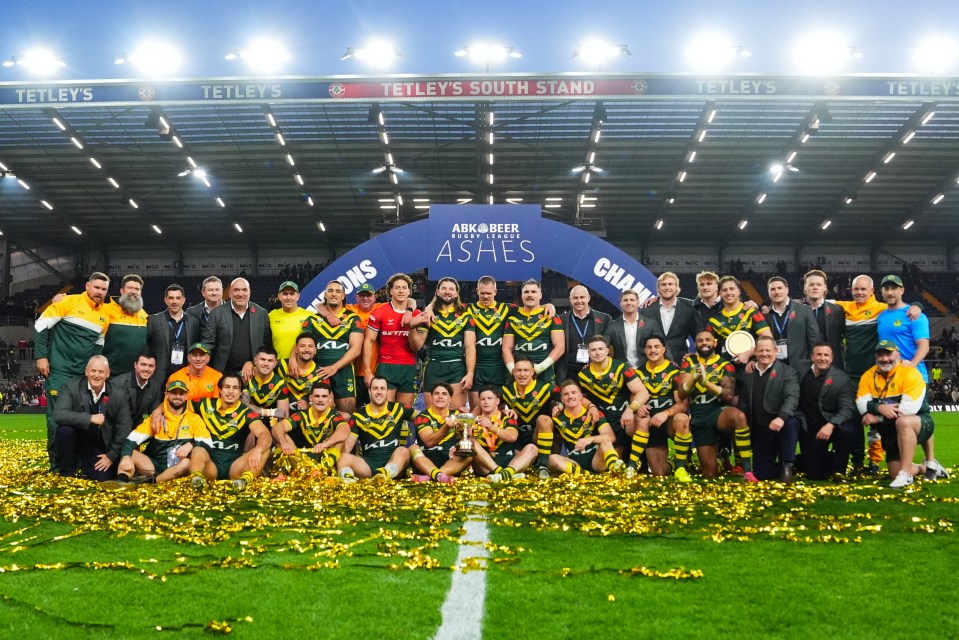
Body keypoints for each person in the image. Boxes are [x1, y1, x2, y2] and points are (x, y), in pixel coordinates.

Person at [35, 272, 111, 468]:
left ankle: (76, 461)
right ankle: (57, 464)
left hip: (82, 377)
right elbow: (41, 325)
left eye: (103, 289)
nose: (99, 292)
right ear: (87, 286)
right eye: (96, 287)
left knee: (79, 420)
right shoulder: (68, 302)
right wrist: (41, 356)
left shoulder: (105, 316)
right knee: (56, 421)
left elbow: (98, 345)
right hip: (59, 372)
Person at [856, 340, 948, 488]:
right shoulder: (868, 375)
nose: (885, 359)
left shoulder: (910, 373)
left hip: (920, 424)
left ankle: (906, 474)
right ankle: (928, 468)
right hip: (889, 429)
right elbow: (861, 405)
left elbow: (907, 410)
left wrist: (877, 416)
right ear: (875, 357)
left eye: (889, 354)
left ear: (898, 355)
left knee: (903, 421)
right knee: (893, 472)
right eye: (880, 354)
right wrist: (880, 408)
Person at [678, 331, 757, 481]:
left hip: (717, 411)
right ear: (695, 344)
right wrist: (694, 378)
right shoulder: (689, 362)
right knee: (710, 473)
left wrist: (705, 383)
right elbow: (682, 393)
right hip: (699, 415)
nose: (704, 343)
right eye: (700, 340)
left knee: (738, 416)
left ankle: (747, 470)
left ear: (715, 343)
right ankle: (722, 460)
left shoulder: (724, 364)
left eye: (708, 340)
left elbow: (728, 395)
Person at [52, 355, 133, 480]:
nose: (96, 375)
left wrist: (111, 456)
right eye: (93, 371)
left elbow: (124, 428)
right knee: (64, 431)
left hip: (99, 445)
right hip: (76, 438)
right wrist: (90, 418)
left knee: (102, 477)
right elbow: (59, 414)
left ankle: (84, 465)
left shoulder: (119, 394)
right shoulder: (71, 386)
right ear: (86, 371)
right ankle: (66, 471)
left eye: (101, 372)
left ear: (107, 374)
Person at [188, 373, 273, 490]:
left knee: (265, 449)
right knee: (197, 449)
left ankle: (242, 482)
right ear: (220, 390)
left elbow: (265, 435)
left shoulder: (246, 412)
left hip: (235, 466)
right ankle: (197, 481)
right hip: (210, 463)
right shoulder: (204, 404)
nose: (231, 391)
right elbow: (177, 405)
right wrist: (157, 411)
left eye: (235, 388)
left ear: (240, 392)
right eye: (227, 387)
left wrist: (258, 450)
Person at [737, 335, 801, 482]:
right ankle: (802, 463)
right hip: (762, 429)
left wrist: (781, 417)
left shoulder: (788, 371)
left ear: (776, 351)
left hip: (782, 424)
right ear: (756, 352)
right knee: (762, 473)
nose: (764, 354)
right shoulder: (750, 373)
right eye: (761, 350)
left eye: (768, 350)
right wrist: (743, 421)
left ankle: (787, 466)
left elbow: (792, 398)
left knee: (790, 423)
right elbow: (745, 400)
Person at [117, 379, 206, 483]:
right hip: (155, 466)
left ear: (186, 396)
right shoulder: (156, 418)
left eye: (181, 393)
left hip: (179, 468)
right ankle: (121, 483)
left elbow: (207, 444)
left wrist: (191, 444)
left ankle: (152, 482)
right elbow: (131, 439)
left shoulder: (194, 419)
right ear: (166, 395)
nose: (177, 396)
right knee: (129, 453)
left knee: (187, 463)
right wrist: (126, 457)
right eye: (174, 393)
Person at [534, 380, 627, 478]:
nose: (570, 396)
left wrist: (590, 439)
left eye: (573, 393)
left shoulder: (593, 413)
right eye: (566, 394)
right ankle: (587, 475)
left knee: (606, 441)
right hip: (575, 462)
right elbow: (551, 439)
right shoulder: (557, 417)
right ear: (562, 399)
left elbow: (611, 437)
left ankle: (616, 470)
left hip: (596, 461)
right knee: (552, 459)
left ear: (580, 396)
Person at [577, 334, 647, 459]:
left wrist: (631, 409)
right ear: (588, 352)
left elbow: (643, 392)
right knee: (613, 466)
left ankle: (634, 464)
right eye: (593, 350)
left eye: (600, 349)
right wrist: (591, 406)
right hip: (605, 422)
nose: (597, 353)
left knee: (643, 420)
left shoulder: (621, 367)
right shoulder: (583, 375)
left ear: (607, 351)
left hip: (625, 418)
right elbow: (578, 397)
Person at [632, 334, 691, 480]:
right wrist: (637, 407)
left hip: (669, 421)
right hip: (649, 423)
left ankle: (680, 467)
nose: (653, 350)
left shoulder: (674, 371)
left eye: (657, 346)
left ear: (664, 349)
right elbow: (632, 399)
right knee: (659, 474)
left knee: (682, 418)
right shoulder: (638, 373)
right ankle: (669, 465)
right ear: (644, 351)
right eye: (649, 347)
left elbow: (682, 405)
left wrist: (665, 413)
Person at [298, 280, 363, 413]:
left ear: (343, 296)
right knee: (316, 414)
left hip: (344, 372)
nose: (334, 294)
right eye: (330, 291)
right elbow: (302, 345)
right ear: (325, 295)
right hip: (318, 372)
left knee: (347, 414)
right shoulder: (312, 320)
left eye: (338, 291)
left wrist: (335, 367)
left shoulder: (353, 318)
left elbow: (356, 349)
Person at [412, 278, 476, 409]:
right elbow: (416, 346)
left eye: (451, 289)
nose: (448, 292)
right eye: (444, 288)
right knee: (433, 415)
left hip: (457, 367)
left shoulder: (465, 316)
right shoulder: (428, 315)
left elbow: (470, 347)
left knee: (457, 415)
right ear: (437, 292)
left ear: (457, 293)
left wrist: (470, 373)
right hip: (433, 366)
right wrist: (411, 327)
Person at [362, 273, 425, 405]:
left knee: (404, 413)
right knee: (384, 411)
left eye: (404, 287)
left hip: (408, 367)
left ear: (409, 291)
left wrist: (412, 325)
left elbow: (417, 347)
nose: (401, 290)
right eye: (397, 288)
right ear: (390, 291)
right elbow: (369, 341)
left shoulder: (417, 314)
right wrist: (367, 371)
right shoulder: (380, 312)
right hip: (386, 367)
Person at [337, 375, 414, 483]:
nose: (379, 392)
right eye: (375, 388)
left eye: (382, 389)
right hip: (368, 465)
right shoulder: (358, 415)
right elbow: (348, 445)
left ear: (388, 391)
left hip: (394, 461)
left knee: (403, 451)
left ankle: (382, 476)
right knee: (344, 457)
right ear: (369, 391)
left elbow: (424, 417)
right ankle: (350, 484)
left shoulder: (399, 408)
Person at [799, 343, 857, 481]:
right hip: (811, 428)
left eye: (826, 355)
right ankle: (816, 460)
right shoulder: (801, 373)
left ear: (831, 358)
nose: (822, 358)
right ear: (812, 357)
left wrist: (831, 425)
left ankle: (838, 471)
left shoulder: (841, 379)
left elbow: (847, 408)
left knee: (847, 430)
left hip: (833, 425)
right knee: (816, 475)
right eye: (818, 354)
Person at [272, 382, 351, 477]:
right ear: (311, 398)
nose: (320, 400)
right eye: (317, 396)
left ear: (330, 399)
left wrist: (326, 444)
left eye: (324, 396)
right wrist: (284, 442)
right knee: (280, 436)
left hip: (325, 459)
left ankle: (322, 470)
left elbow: (345, 429)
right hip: (302, 460)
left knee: (340, 441)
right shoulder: (302, 415)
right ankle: (281, 475)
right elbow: (278, 427)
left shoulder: (334, 416)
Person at [203, 278, 272, 383]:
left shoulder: (261, 313)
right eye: (236, 290)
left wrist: (253, 362)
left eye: (244, 290)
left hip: (253, 372)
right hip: (223, 372)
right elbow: (208, 344)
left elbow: (266, 345)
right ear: (230, 293)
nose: (240, 294)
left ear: (249, 292)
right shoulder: (216, 314)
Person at [502, 279, 565, 384]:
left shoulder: (551, 316)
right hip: (519, 373)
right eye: (526, 292)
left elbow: (560, 346)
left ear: (540, 295)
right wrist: (513, 370)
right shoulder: (512, 318)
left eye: (533, 292)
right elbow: (506, 348)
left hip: (545, 373)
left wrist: (540, 367)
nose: (529, 295)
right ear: (521, 295)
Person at [470, 385, 537, 482]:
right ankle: (502, 473)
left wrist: (492, 428)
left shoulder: (507, 417)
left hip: (510, 463)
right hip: (485, 467)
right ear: (479, 402)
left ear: (497, 401)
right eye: (483, 399)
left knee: (532, 448)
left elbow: (512, 437)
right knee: (471, 443)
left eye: (489, 398)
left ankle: (504, 474)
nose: (486, 402)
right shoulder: (474, 421)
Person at [407, 382, 467, 484]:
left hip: (450, 460)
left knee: (469, 449)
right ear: (431, 397)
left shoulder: (458, 415)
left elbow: (465, 437)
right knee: (413, 448)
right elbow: (430, 441)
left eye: (444, 394)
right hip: (426, 459)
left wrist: (457, 447)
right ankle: (439, 476)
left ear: (450, 399)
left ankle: (432, 477)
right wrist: (447, 426)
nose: (440, 397)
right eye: (436, 393)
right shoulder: (422, 417)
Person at [706, 276, 771, 364]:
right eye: (724, 290)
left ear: (738, 291)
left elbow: (768, 338)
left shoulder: (751, 312)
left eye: (732, 289)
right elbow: (705, 345)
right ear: (719, 293)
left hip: (751, 366)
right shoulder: (714, 320)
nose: (728, 292)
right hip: (725, 369)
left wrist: (748, 354)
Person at [877, 275, 930, 381]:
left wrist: (912, 364)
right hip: (890, 379)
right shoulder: (880, 316)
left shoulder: (914, 315)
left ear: (902, 290)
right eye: (886, 289)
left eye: (894, 288)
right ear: (882, 292)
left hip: (913, 377)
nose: (890, 292)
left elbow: (924, 345)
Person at [765, 276, 821, 376]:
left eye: (780, 288)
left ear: (787, 290)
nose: (777, 292)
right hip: (775, 367)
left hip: (801, 368)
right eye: (773, 289)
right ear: (768, 293)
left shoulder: (804, 310)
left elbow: (814, 339)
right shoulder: (766, 315)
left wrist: (815, 364)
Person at [501, 355, 559, 449]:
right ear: (514, 372)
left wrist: (591, 407)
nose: (522, 374)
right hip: (516, 438)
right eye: (519, 370)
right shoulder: (506, 390)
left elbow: (570, 398)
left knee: (545, 419)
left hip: (538, 436)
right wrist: (502, 412)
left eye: (526, 370)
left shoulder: (547, 388)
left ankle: (543, 462)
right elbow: (485, 404)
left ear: (532, 372)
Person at [146, 284, 200, 383]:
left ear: (183, 300)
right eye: (171, 298)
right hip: (159, 376)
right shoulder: (154, 320)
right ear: (165, 300)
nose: (174, 301)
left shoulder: (193, 322)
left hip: (186, 374)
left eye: (178, 298)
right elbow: (146, 346)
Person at [556, 285, 611, 382]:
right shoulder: (561, 320)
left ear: (588, 298)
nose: (579, 301)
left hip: (595, 370)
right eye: (575, 298)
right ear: (570, 299)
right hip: (569, 373)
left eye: (582, 297)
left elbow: (608, 345)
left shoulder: (604, 319)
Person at [640, 272, 697, 364]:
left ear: (677, 287)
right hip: (652, 362)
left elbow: (698, 335)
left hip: (680, 361)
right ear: (658, 289)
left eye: (670, 284)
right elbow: (641, 339)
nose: (667, 287)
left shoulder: (688, 309)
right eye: (663, 285)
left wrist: (695, 354)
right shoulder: (647, 310)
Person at [101, 274, 149, 376]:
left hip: (135, 375)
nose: (133, 291)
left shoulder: (143, 314)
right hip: (110, 374)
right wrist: (59, 299)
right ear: (122, 291)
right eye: (129, 288)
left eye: (137, 289)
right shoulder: (105, 309)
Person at [801, 270, 845, 371]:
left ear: (825, 288)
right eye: (811, 284)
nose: (815, 287)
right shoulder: (796, 310)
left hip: (832, 365)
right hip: (805, 365)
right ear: (805, 288)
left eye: (819, 284)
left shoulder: (837, 310)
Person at [604, 288, 658, 369]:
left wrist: (670, 361)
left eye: (632, 300)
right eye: (625, 300)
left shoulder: (650, 323)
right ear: (621, 304)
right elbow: (603, 346)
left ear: (638, 303)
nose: (629, 303)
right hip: (622, 370)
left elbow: (662, 345)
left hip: (647, 370)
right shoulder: (613, 325)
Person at [110, 350, 163, 423]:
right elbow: (110, 415)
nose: (147, 369)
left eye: (151, 366)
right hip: (118, 427)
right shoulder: (117, 383)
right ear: (135, 365)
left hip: (141, 428)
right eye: (143, 365)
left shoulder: (155, 386)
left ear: (155, 367)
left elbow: (150, 414)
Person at [242, 345, 291, 422]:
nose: (266, 364)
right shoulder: (244, 377)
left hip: (268, 422)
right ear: (255, 361)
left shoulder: (280, 383)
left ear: (275, 363)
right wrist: (270, 412)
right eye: (262, 359)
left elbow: (284, 414)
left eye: (270, 361)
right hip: (244, 421)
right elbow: (243, 407)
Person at [278, 333, 323, 412]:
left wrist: (309, 406)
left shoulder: (320, 373)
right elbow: (261, 367)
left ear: (315, 350)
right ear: (295, 349)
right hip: (282, 415)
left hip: (306, 418)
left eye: (310, 346)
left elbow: (329, 403)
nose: (306, 349)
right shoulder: (282, 365)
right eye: (302, 346)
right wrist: (248, 364)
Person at [269, 281, 313, 361]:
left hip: (302, 366)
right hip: (278, 367)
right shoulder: (271, 316)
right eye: (285, 294)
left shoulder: (309, 316)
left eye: (292, 294)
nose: (288, 297)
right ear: (279, 296)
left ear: (298, 296)